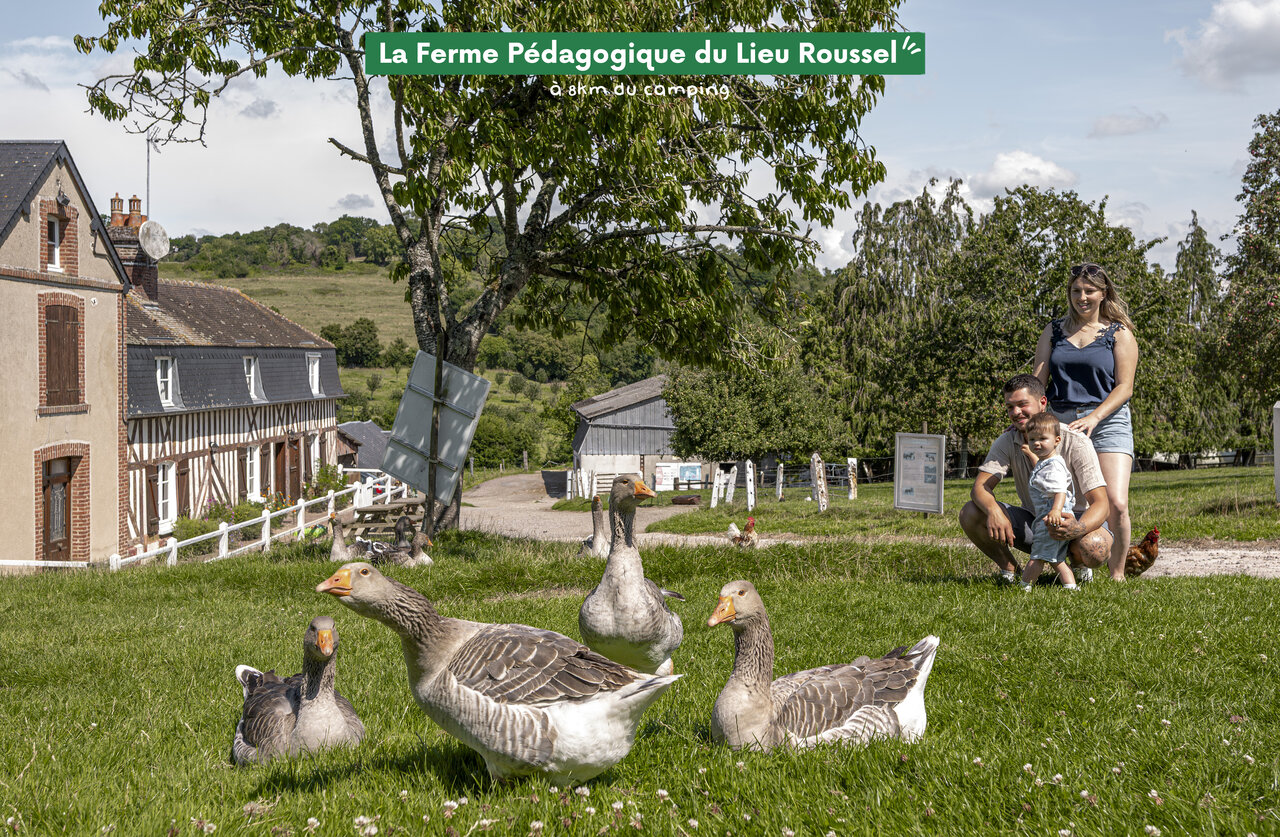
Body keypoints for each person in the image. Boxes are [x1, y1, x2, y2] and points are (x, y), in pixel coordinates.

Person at [1032, 262, 1139, 581]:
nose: (1082, 297)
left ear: (1103, 293)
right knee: (1074, 503)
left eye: (1089, 291)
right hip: (1062, 424)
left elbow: (1125, 387)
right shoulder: (1053, 331)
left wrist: (1094, 417)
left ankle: (1117, 574)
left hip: (1107, 422)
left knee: (1116, 503)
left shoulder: (1119, 334)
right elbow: (1039, 380)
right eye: (1076, 291)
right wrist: (1033, 417)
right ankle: (1077, 564)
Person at [959, 374, 1112, 583]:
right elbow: (979, 487)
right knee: (971, 511)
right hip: (1037, 523)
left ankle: (1079, 565)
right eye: (1010, 407)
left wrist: (1078, 528)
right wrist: (994, 510)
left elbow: (1101, 503)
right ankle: (1010, 570)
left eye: (1022, 404)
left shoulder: (1075, 441)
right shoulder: (1007, 441)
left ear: (1042, 403)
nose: (1015, 413)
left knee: (1095, 547)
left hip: (1075, 521)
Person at [1017, 412, 1078, 592]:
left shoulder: (1054, 466)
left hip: (1051, 517)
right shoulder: (1048, 461)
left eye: (1043, 438)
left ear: (1057, 440)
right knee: (1056, 559)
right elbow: (1040, 469)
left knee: (1037, 556)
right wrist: (1030, 454)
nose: (1037, 443)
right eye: (1032, 439)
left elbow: (1060, 491)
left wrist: (1056, 511)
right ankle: (1071, 587)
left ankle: (1024, 587)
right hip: (1052, 515)